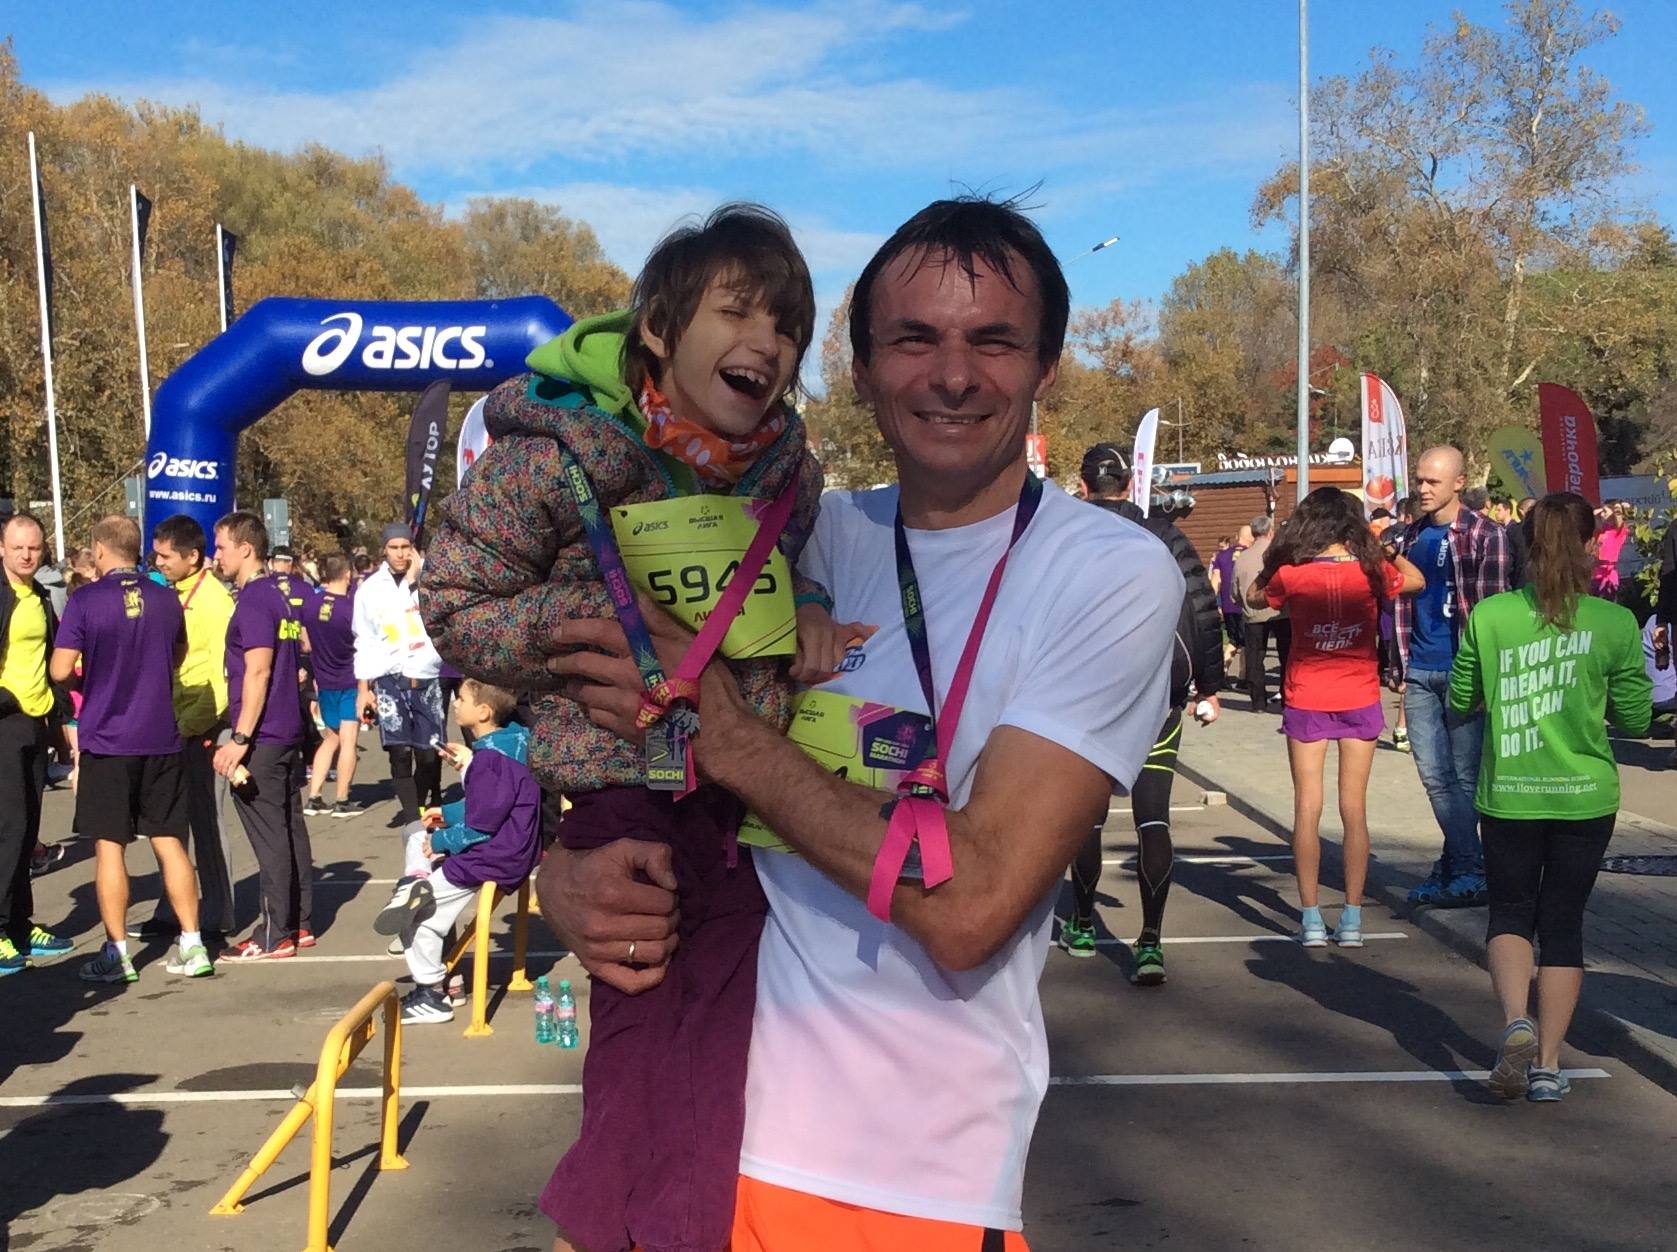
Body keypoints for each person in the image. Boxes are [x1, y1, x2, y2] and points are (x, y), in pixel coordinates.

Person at [539, 196, 1181, 1251]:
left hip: (910, 1181)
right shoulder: (798, 533)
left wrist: (730, 736)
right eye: (914, 338)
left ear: (1047, 367)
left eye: (993, 341)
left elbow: (971, 903)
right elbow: (600, 703)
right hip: (694, 1139)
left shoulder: (1106, 572)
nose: (953, 375)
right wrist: (563, 876)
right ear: (862, 367)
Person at [423, 203, 858, 1252]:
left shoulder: (788, 473)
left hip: (745, 795)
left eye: (788, 327)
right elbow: (454, 602)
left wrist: (805, 610)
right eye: (737, 313)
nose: (767, 343)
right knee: (645, 1043)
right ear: (659, 329)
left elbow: (780, 583)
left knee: (730, 1056)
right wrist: (581, 635)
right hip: (621, 791)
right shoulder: (553, 454)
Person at [1448, 493, 1651, 1101]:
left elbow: (1461, 697)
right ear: (1591, 545)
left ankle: (1516, 1020)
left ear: (1526, 545)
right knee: (1563, 923)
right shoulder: (1614, 622)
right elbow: (1637, 717)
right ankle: (1547, 1065)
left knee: (1510, 913)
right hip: (1585, 796)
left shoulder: (1492, 615)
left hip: (1510, 791)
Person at [1057, 442, 1221, 984]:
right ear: (1130, 485)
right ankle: (1150, 943)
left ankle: (1083, 925)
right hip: (1158, 696)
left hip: (1090, 699)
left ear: (1084, 486)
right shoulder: (1166, 535)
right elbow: (1203, 608)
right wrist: (1211, 686)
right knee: (1153, 819)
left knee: (1087, 816)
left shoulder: (1067, 536)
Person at [1247, 489, 1423, 946]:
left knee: (1307, 807)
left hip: (1307, 693)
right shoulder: (1370, 570)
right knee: (1354, 808)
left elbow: (1252, 597)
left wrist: (1277, 554)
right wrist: (1384, 549)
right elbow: (1416, 580)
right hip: (1358, 692)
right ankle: (1352, 917)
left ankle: (1309, 918)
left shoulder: (1293, 572)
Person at [49, 516, 210, 981]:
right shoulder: (166, 597)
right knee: (169, 840)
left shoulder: (85, 600)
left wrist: (87, 678)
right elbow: (177, 654)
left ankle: (117, 953)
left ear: (100, 550)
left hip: (107, 738)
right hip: (159, 735)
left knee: (109, 846)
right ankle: (193, 943)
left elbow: (60, 669)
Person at [1388, 446, 1509, 907]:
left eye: (1432, 482)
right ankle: (1463, 866)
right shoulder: (1406, 536)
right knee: (1436, 777)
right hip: (1419, 668)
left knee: (1463, 778)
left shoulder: (1485, 535)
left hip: (1464, 668)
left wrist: (1486, 677)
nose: (1422, 489)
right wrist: (1397, 664)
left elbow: (1491, 613)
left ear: (1459, 483)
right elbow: (1398, 603)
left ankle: (1462, 868)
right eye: (1419, 480)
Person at [380, 680, 540, 1024]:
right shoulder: (512, 742)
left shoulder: (490, 760)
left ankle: (431, 992)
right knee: (417, 833)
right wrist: (447, 813)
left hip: (494, 856)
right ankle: (414, 882)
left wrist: (441, 841)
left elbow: (481, 826)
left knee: (416, 918)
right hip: (509, 849)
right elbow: (491, 805)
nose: (454, 703)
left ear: (483, 712)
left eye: (461, 699)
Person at [212, 511, 315, 961]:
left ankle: (275, 932)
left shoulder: (255, 599)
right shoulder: (279, 594)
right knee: (289, 827)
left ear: (245, 548)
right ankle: (300, 922)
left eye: (221, 547)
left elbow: (259, 670)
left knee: (270, 832)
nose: (216, 556)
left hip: (265, 735)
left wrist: (239, 738)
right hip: (286, 729)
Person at [143, 514, 238, 943]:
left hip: (203, 725)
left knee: (207, 821)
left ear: (192, 557)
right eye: (156, 555)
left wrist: (193, 725)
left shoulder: (216, 602)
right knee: (169, 823)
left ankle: (218, 914)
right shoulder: (170, 593)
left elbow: (222, 677)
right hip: (171, 723)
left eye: (166, 556)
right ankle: (173, 910)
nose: (158, 563)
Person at [0, 514, 73, 976]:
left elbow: (50, 660)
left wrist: (60, 720)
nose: (27, 555)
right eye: (18, 548)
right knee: (7, 830)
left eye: (34, 548)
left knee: (27, 831)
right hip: (4, 723)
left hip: (35, 723)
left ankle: (20, 925)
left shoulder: (40, 595)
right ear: (1, 549)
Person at [353, 525, 445, 828]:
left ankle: (421, 799)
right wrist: (363, 689)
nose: (401, 554)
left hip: (426, 677)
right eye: (394, 548)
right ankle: (412, 817)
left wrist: (415, 583)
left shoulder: (429, 581)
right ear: (384, 550)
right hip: (390, 679)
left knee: (429, 754)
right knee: (399, 752)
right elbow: (364, 640)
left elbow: (438, 616)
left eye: (406, 547)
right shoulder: (370, 590)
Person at [302, 552, 364, 818]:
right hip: (349, 680)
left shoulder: (310, 604)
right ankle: (342, 799)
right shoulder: (351, 609)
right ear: (347, 574)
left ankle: (314, 797)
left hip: (324, 680)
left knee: (330, 738)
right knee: (349, 740)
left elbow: (306, 644)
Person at [1235, 515, 1290, 712]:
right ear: (1270, 532)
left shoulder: (1241, 558)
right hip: (1281, 612)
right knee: (1286, 656)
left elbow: (1234, 590)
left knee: (1255, 658)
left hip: (1253, 614)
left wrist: (1244, 603)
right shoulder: (1281, 555)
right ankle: (1287, 698)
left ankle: (1258, 702)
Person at [1211, 528, 1247, 659]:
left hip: (1227, 604)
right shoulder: (1249, 554)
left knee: (1233, 641)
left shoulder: (1221, 556)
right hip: (1245, 606)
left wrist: (1213, 603)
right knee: (1247, 643)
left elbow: (1216, 579)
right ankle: (1245, 671)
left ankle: (1225, 666)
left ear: (1237, 537)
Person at [1591, 501, 1630, 601]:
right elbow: (1593, 514)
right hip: (1596, 574)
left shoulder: (1619, 531)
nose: (1602, 514)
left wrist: (1617, 507)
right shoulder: (1604, 529)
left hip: (1607, 575)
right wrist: (1603, 509)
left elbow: (1619, 516)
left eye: (1605, 512)